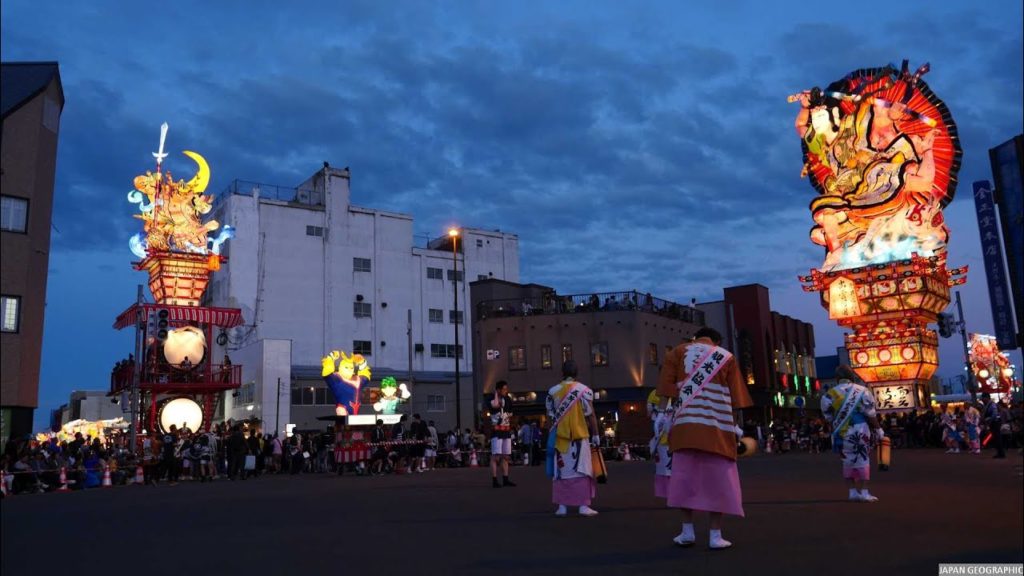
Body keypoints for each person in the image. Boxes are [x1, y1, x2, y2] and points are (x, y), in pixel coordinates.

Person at [656, 327, 753, 549]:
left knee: (684, 479)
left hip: (685, 426)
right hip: (717, 427)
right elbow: (737, 398)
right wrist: (737, 427)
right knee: (717, 481)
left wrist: (662, 421)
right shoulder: (726, 356)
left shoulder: (676, 353)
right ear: (715, 341)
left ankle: (687, 531)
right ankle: (715, 535)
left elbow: (665, 392)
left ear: (695, 338)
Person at [821, 365, 884, 503]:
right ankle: (865, 491)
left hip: (841, 431)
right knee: (863, 458)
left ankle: (852, 492)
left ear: (837, 378)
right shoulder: (862, 391)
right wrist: (878, 429)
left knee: (847, 460)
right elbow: (870, 414)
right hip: (860, 429)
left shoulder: (829, 394)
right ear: (852, 376)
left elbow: (829, 417)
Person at [546, 360, 600, 516]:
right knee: (582, 470)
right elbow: (591, 415)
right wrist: (596, 434)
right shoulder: (584, 390)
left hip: (560, 438)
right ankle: (583, 506)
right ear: (577, 373)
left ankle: (562, 506)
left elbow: (549, 416)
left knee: (561, 472)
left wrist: (551, 434)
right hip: (579, 436)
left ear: (562, 372)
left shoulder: (552, 391)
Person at [646, 389, 673, 500]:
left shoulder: (653, 394)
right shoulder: (679, 391)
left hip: (660, 437)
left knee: (664, 468)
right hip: (674, 436)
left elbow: (648, 413)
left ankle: (668, 494)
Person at [489, 381, 516, 488]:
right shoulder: (491, 398)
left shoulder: (508, 398)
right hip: (497, 431)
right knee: (496, 456)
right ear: (498, 389)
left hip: (506, 430)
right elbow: (495, 405)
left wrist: (508, 414)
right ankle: (494, 480)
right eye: (504, 389)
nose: (506, 391)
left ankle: (505, 479)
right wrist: (496, 394)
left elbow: (511, 411)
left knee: (505, 456)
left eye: (506, 389)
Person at [982, 394, 1005, 459]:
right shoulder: (988, 405)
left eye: (983, 398)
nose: (982, 400)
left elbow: (994, 414)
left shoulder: (992, 404)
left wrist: (989, 420)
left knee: (997, 438)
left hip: (995, 422)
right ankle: (1000, 453)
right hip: (993, 423)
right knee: (996, 438)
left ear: (987, 398)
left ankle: (1001, 453)